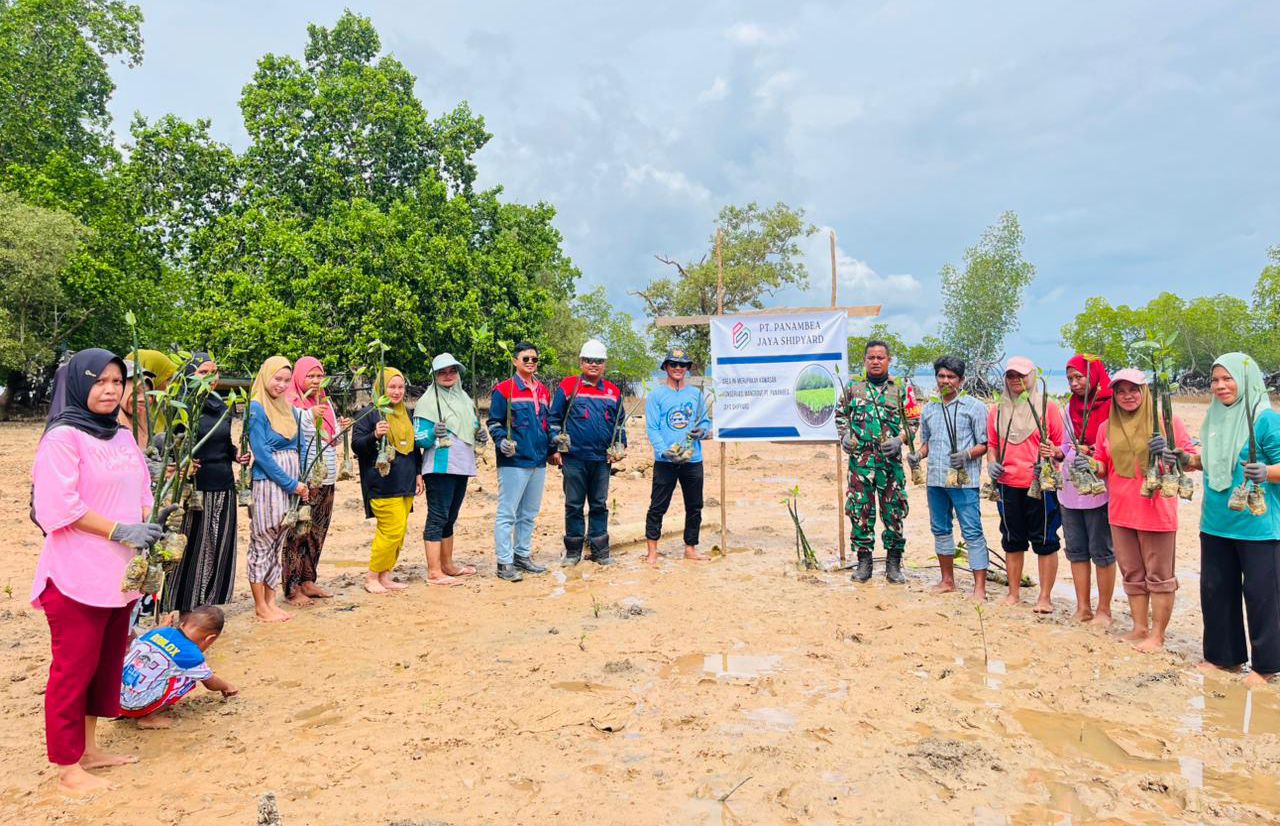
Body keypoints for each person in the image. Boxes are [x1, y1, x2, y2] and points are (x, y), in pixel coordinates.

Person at [30, 349, 164, 792]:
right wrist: (119, 530)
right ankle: (68, 768)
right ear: (78, 384)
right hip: (76, 577)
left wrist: (150, 521)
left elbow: (142, 486)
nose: (110, 390)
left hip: (119, 578)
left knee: (103, 667)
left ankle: (87, 748)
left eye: (116, 382)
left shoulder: (121, 436)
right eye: (99, 381)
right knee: (72, 671)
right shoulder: (62, 439)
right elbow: (58, 508)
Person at [1182, 353, 1280, 686]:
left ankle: (1266, 666)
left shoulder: (1264, 419)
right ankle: (1223, 657)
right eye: (1215, 380)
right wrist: (1187, 459)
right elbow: (1212, 461)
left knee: (1262, 593)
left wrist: (1267, 472)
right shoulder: (1214, 418)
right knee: (1216, 589)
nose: (1220, 386)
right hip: (1215, 521)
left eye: (1228, 378)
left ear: (1245, 380)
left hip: (1257, 526)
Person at [1090, 369, 1196, 651]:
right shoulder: (1106, 426)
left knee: (1160, 576)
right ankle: (1139, 627)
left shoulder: (1166, 421)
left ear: (1145, 391)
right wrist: (1088, 465)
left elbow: (1189, 462)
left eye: (1134, 389)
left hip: (1156, 510)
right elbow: (1102, 466)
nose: (1127, 396)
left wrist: (1168, 451)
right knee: (1132, 573)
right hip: (1121, 511)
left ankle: (1157, 635)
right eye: (1121, 391)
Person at [161, 354, 250, 613]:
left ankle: (209, 604)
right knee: (194, 548)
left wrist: (236, 455)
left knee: (218, 544)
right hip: (196, 489)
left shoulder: (222, 406)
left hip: (224, 484)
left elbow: (224, 444)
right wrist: (182, 462)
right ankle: (184, 606)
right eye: (203, 372)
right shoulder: (182, 408)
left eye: (215, 372)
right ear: (189, 375)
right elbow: (170, 446)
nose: (211, 377)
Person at [986, 356, 1065, 610]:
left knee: (1045, 540)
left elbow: (1061, 446)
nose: (1015, 380)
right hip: (1007, 483)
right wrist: (991, 463)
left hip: (1040, 483)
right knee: (1011, 539)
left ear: (1031, 376)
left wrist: (1052, 451)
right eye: (1010, 376)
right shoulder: (998, 409)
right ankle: (1013, 593)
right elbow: (993, 444)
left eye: (1020, 375)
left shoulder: (1047, 407)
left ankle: (1045, 597)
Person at [911, 355, 989, 600]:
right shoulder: (930, 408)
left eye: (951, 377)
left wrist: (967, 454)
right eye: (941, 376)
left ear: (961, 380)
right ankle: (947, 580)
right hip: (935, 478)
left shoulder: (974, 407)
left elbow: (985, 444)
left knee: (972, 530)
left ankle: (980, 587)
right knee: (940, 528)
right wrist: (917, 455)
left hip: (963, 479)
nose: (945, 381)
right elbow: (927, 443)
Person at [836, 340, 911, 583]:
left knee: (894, 511)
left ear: (889, 360)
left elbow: (913, 422)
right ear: (865, 361)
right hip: (861, 462)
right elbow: (840, 416)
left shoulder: (900, 388)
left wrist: (900, 439)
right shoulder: (853, 387)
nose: (876, 361)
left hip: (890, 463)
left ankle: (893, 564)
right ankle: (864, 561)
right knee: (860, 511)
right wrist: (845, 435)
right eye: (871, 357)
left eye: (880, 357)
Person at [549, 339, 626, 566]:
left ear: (604, 364)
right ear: (581, 362)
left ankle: (600, 550)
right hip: (573, 458)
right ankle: (573, 551)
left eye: (598, 361)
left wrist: (620, 447)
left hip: (601, 460)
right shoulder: (568, 386)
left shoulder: (613, 391)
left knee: (599, 504)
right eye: (589, 360)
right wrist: (555, 447)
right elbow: (553, 419)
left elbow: (619, 424)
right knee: (573, 504)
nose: (593, 364)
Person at [487, 342, 558, 582]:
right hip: (514, 460)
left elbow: (546, 425)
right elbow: (494, 422)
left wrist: (552, 449)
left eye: (534, 359)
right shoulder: (504, 389)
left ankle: (522, 555)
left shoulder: (543, 391)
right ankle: (504, 562)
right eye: (525, 358)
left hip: (538, 460)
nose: (530, 362)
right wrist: (500, 441)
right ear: (515, 361)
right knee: (508, 512)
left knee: (529, 513)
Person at [414, 353, 484, 586]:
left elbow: (472, 426)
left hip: (462, 465)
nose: (448, 376)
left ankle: (448, 564)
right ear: (434, 376)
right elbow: (420, 438)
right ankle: (434, 571)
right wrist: (434, 432)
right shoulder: (427, 401)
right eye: (442, 372)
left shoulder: (464, 398)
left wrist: (479, 433)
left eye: (452, 371)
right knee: (438, 516)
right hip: (440, 467)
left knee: (450, 517)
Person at [281, 356, 346, 605]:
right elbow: (289, 431)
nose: (316, 381)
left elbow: (332, 441)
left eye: (320, 376)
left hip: (327, 476)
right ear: (300, 377)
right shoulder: (291, 403)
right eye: (311, 376)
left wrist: (340, 428)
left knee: (318, 532)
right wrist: (309, 414)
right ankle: (291, 587)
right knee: (298, 534)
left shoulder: (325, 402)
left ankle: (309, 580)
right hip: (304, 478)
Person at [246, 356, 307, 623]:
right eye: (276, 379)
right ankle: (260, 605)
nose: (281, 385)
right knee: (263, 540)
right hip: (269, 483)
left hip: (290, 486)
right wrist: (290, 483)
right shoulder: (256, 409)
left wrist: (300, 482)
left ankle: (271, 601)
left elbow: (299, 445)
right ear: (265, 377)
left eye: (286, 380)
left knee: (278, 540)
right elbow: (261, 452)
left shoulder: (288, 409)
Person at [353, 367, 423, 593]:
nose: (396, 391)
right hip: (382, 482)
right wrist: (375, 434)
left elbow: (414, 449)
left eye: (400, 387)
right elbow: (357, 445)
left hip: (405, 481)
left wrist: (419, 474)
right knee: (390, 530)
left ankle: (385, 575)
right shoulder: (370, 413)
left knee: (399, 532)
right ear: (381, 388)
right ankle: (372, 576)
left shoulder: (405, 413)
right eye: (391, 387)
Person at [1060, 354, 1117, 625]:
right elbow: (1063, 445)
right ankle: (1083, 607)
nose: (1074, 383)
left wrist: (1093, 450)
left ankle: (1104, 609)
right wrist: (1059, 452)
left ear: (1093, 376)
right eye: (1070, 378)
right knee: (1076, 549)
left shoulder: (1110, 406)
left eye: (1080, 377)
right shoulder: (1069, 407)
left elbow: (1115, 446)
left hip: (1099, 488)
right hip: (1070, 488)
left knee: (1102, 550)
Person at [119, 605, 238, 728]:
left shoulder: (160, 631)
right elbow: (210, 683)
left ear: (182, 623)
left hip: (113, 698)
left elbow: (135, 646)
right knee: (189, 677)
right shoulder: (191, 654)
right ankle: (149, 717)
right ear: (210, 638)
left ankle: (133, 703)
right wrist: (226, 686)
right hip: (133, 706)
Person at [644, 347, 711, 564]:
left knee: (694, 505)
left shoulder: (696, 395)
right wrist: (665, 450)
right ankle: (652, 551)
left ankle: (690, 547)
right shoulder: (655, 396)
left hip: (692, 459)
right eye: (673, 364)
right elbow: (652, 428)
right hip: (666, 460)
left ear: (688, 369)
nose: (678, 368)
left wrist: (702, 431)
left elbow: (705, 422)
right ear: (666, 367)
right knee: (658, 506)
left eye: (683, 365)